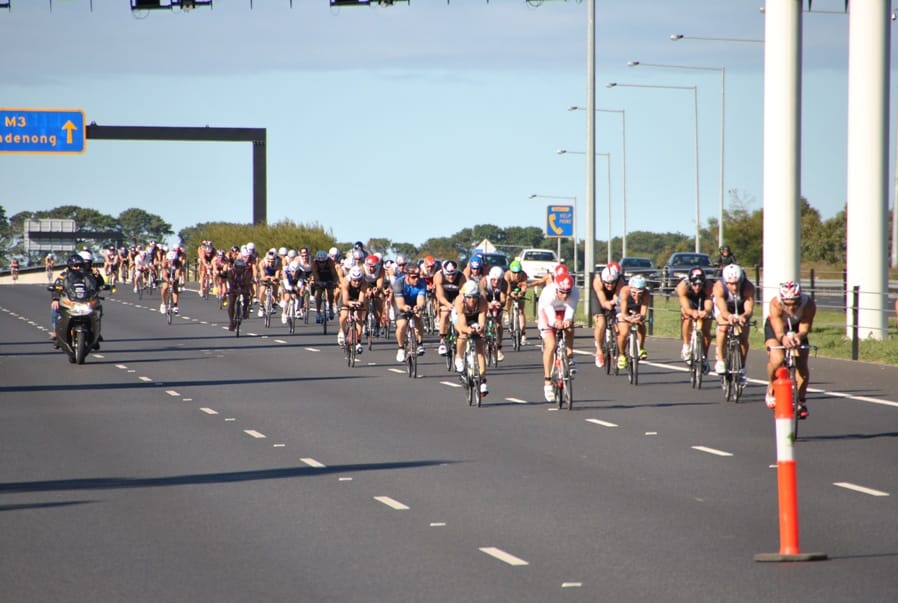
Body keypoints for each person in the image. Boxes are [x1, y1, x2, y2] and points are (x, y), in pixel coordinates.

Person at [764, 280, 816, 417]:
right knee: (778, 359)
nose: (791, 307)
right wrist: (783, 339)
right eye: (787, 304)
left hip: (797, 327)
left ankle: (801, 400)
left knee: (802, 365)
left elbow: (805, 327)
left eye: (794, 303)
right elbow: (779, 331)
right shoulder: (776, 303)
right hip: (777, 328)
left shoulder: (808, 304)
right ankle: (771, 386)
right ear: (782, 301)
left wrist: (799, 336)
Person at [537, 272, 578, 402]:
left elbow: (570, 311)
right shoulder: (548, 293)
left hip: (563, 311)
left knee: (569, 327)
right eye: (562, 292)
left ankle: (570, 354)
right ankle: (547, 381)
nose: (565, 295)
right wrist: (555, 322)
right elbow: (549, 316)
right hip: (547, 312)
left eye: (568, 292)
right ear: (556, 288)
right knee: (551, 344)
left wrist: (567, 321)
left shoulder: (574, 292)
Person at [712, 263, 756, 381]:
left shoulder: (748, 287)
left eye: (737, 283)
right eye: (731, 284)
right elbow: (723, 311)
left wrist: (744, 316)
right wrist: (729, 317)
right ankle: (721, 360)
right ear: (726, 282)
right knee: (724, 327)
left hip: (740, 307)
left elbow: (749, 310)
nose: (735, 287)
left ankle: (741, 367)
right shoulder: (719, 287)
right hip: (725, 308)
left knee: (743, 338)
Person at [453, 279, 489, 396]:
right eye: (469, 297)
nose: (472, 300)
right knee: (463, 334)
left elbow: (482, 321)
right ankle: (458, 356)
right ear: (464, 296)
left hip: (474, 316)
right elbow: (463, 324)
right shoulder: (460, 302)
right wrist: (468, 329)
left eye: (474, 297)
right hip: (460, 316)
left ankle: (483, 380)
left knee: (480, 345)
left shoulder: (482, 302)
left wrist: (480, 329)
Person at [675, 267, 714, 372]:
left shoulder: (709, 286)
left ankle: (704, 357)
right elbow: (685, 306)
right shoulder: (682, 286)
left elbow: (709, 301)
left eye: (700, 285)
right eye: (694, 285)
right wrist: (692, 312)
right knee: (686, 317)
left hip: (703, 301)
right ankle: (686, 346)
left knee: (706, 329)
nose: (697, 287)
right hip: (689, 301)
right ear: (690, 282)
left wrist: (706, 311)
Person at [391, 264, 427, 362]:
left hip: (414, 302)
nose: (416, 279)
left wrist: (418, 307)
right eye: (413, 277)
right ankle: (401, 348)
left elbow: (421, 299)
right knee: (402, 325)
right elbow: (400, 304)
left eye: (418, 276)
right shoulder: (399, 283)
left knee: (418, 317)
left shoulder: (422, 282)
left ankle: (420, 343)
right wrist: (404, 307)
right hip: (402, 303)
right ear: (407, 276)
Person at [592, 264, 624, 368]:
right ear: (603, 280)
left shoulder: (620, 281)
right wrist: (607, 304)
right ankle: (599, 351)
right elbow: (603, 302)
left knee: (621, 321)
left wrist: (615, 303)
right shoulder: (598, 281)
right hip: (599, 297)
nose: (610, 285)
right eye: (607, 283)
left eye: (612, 283)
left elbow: (617, 297)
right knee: (601, 323)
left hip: (615, 295)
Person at [617, 275, 651, 370]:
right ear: (630, 288)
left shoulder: (646, 293)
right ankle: (622, 355)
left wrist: (641, 317)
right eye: (634, 292)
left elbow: (644, 309)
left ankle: (641, 347)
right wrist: (628, 318)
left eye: (640, 293)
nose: (637, 295)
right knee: (624, 332)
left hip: (636, 307)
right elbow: (623, 313)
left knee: (641, 323)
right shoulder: (625, 291)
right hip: (623, 308)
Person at [434, 260, 466, 356]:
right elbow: (440, 296)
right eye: (448, 274)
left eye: (453, 274)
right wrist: (448, 305)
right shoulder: (439, 276)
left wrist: (457, 305)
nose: (451, 277)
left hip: (456, 295)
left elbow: (462, 295)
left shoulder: (461, 277)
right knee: (445, 313)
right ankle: (443, 340)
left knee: (460, 312)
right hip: (445, 295)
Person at [337, 266, 368, 353]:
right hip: (346, 297)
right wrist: (349, 303)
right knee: (344, 314)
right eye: (354, 280)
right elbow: (345, 300)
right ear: (351, 278)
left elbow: (361, 299)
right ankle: (341, 331)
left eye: (359, 280)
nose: (357, 282)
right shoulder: (346, 281)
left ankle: (358, 341)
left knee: (358, 317)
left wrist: (359, 304)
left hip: (357, 298)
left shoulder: (364, 283)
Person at [481, 266, 508, 362]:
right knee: (482, 320)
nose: (496, 282)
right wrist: (488, 305)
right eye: (493, 280)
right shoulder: (484, 281)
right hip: (485, 300)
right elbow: (482, 297)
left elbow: (503, 298)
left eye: (498, 280)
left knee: (498, 322)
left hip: (496, 300)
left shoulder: (504, 283)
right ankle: (482, 342)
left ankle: (499, 347)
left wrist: (500, 304)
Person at [504, 260, 529, 345]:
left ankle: (523, 334)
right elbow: (507, 289)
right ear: (511, 271)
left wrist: (521, 293)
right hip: (510, 288)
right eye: (514, 273)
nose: (516, 275)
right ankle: (507, 313)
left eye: (518, 272)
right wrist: (510, 293)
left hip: (518, 288)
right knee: (508, 298)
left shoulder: (524, 275)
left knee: (521, 311)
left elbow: (524, 286)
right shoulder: (507, 275)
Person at [310, 250, 339, 323]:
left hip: (329, 277)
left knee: (330, 292)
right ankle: (318, 312)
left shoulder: (330, 262)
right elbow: (315, 274)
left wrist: (335, 282)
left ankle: (330, 308)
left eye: (323, 262)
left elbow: (334, 274)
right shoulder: (314, 263)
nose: (322, 264)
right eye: (320, 262)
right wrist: (318, 282)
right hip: (319, 277)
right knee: (319, 293)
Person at [226, 258, 253, 330]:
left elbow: (247, 283)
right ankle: (231, 322)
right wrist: (234, 290)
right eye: (238, 267)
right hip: (233, 287)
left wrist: (244, 290)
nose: (240, 269)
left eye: (242, 268)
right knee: (231, 303)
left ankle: (245, 311)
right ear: (235, 267)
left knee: (247, 296)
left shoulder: (247, 273)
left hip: (244, 286)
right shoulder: (230, 272)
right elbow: (230, 282)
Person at [159, 248, 184, 315]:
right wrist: (168, 280)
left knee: (175, 287)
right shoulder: (164, 263)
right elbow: (164, 275)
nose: (172, 262)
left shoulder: (178, 263)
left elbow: (177, 274)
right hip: (167, 274)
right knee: (165, 287)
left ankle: (175, 305)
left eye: (173, 260)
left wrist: (175, 279)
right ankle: (163, 303)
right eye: (170, 260)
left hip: (174, 274)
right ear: (167, 259)